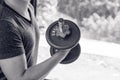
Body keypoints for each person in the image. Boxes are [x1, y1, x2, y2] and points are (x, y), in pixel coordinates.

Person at [0, 0, 71, 80]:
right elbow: (20, 78)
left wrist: (58, 41)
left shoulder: (29, 8)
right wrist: (61, 53)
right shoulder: (5, 24)